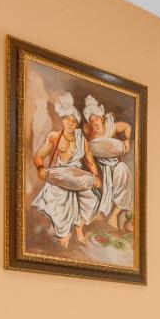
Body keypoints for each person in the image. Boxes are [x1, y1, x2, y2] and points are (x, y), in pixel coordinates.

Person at [30, 93, 101, 247]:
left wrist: (95, 177)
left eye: (74, 120)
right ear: (62, 119)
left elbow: (90, 162)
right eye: (68, 119)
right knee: (62, 195)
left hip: (78, 176)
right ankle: (64, 232)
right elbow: (38, 157)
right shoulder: (54, 136)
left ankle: (79, 228)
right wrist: (41, 167)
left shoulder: (82, 139)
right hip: (59, 176)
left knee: (89, 197)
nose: (71, 123)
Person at [83, 95, 135, 231]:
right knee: (106, 187)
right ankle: (101, 214)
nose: (95, 122)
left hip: (116, 164)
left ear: (102, 119)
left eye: (97, 119)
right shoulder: (91, 140)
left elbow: (127, 127)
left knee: (123, 171)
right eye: (92, 120)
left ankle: (114, 215)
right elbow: (89, 160)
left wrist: (127, 140)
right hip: (104, 169)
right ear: (90, 123)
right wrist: (95, 176)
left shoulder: (111, 127)